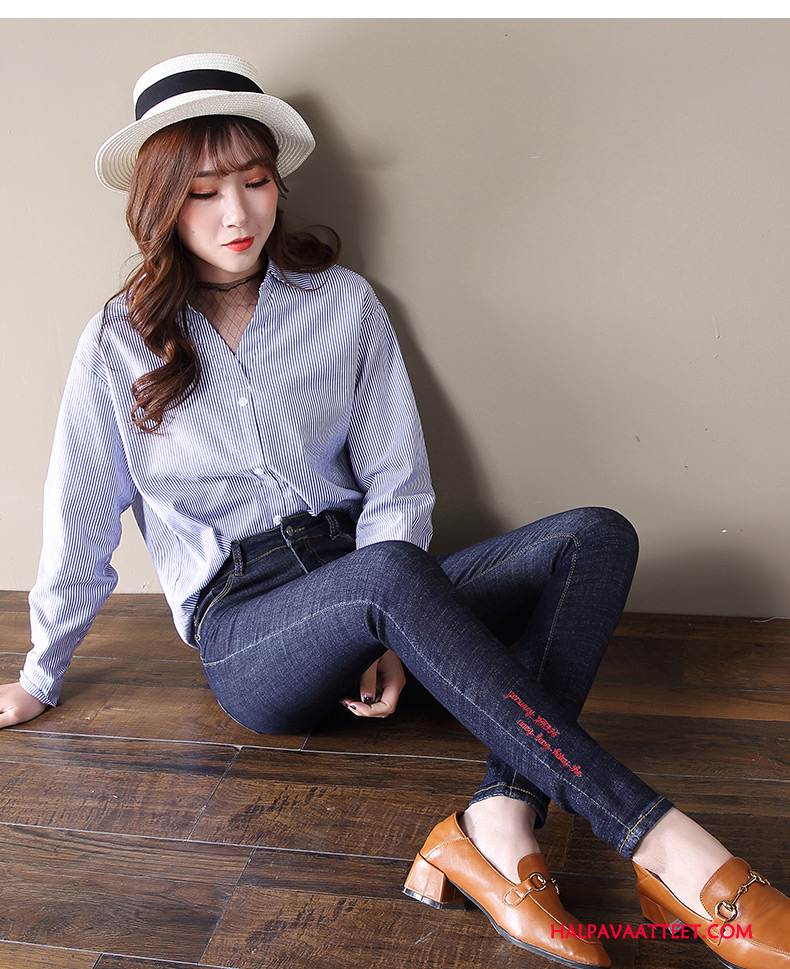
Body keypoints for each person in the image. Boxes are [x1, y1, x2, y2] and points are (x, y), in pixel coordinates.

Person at [0, 52, 786, 969]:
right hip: (249, 630)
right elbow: (80, 518)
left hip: (376, 579)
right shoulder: (116, 342)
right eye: (204, 192)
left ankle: (499, 820)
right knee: (384, 575)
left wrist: (389, 633)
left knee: (596, 535)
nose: (237, 213)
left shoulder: (344, 305)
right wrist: (41, 673)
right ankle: (672, 850)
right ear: (160, 204)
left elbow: (397, 484)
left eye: (255, 182)